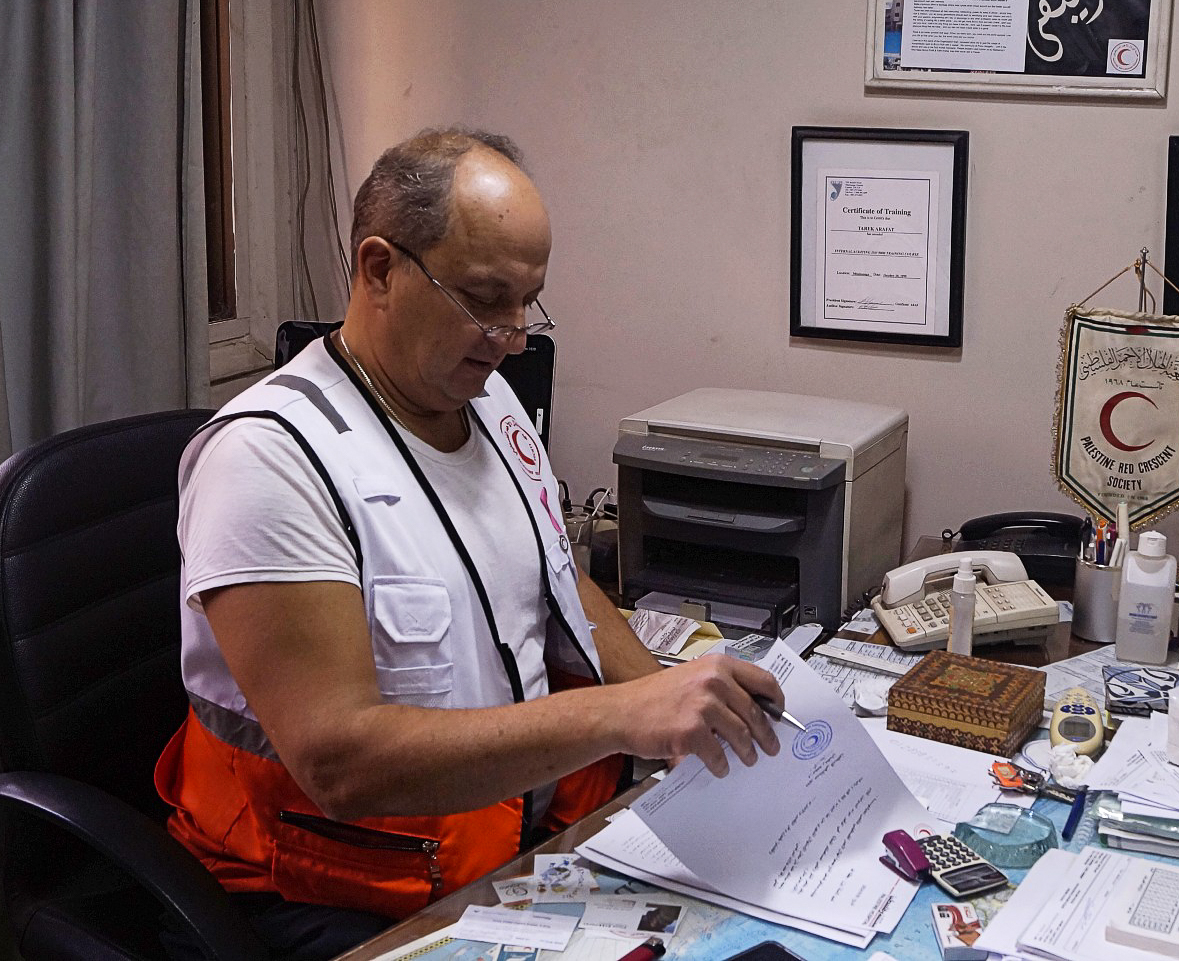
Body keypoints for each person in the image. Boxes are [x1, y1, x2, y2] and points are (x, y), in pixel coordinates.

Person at [154, 127, 787, 959]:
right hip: (334, 893)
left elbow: (556, 575)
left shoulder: (488, 407)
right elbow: (338, 763)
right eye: (484, 298)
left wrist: (687, 716)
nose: (514, 334)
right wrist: (623, 714)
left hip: (511, 842)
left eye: (528, 299)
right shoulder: (268, 458)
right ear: (379, 269)